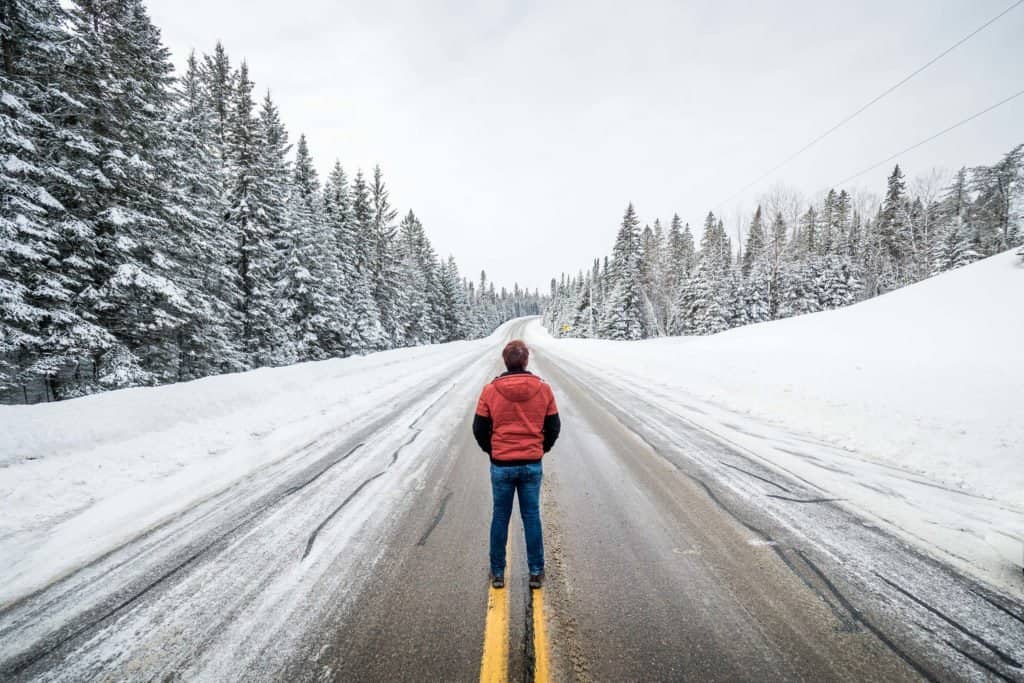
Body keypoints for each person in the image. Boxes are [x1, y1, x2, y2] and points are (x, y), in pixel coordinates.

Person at [472, 339, 560, 590]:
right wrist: (541, 449)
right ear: (525, 360)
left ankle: (498, 573)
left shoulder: (490, 390)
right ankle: (535, 572)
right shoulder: (543, 389)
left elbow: (479, 429)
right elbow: (554, 426)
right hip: (531, 463)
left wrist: (493, 450)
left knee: (500, 517)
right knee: (531, 516)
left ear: (505, 361)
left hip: (502, 465)